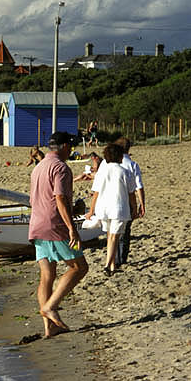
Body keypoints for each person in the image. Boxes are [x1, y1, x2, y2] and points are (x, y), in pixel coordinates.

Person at [28, 131, 88, 338]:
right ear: (63, 147)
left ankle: (49, 327)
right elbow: (59, 198)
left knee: (47, 276)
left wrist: (73, 210)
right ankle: (50, 307)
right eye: (70, 146)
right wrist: (71, 226)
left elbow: (43, 198)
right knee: (79, 267)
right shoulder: (61, 167)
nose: (71, 149)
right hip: (54, 225)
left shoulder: (38, 167)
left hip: (36, 224)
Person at [85, 143, 137, 276]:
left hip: (103, 208)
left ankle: (112, 265)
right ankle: (108, 265)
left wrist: (91, 211)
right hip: (118, 208)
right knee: (114, 236)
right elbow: (131, 193)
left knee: (109, 236)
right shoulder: (125, 172)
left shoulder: (102, 172)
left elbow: (95, 193)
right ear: (119, 156)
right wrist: (134, 209)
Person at [105, 137, 145, 267]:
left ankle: (113, 260)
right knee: (124, 232)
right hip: (125, 202)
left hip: (109, 201)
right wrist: (141, 204)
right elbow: (138, 187)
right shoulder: (132, 165)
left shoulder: (107, 164)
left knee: (111, 233)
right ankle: (121, 259)